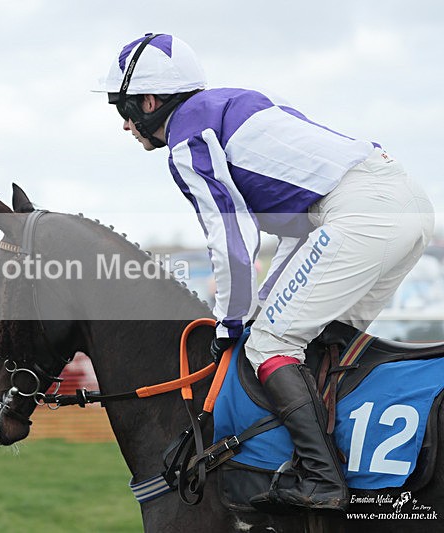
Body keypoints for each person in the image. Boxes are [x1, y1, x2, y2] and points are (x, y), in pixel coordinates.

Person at [96, 33, 434, 513]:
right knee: (322, 342)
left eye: (123, 108)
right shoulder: (239, 103)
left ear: (149, 102)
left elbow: (231, 240)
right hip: (403, 202)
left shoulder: (186, 137)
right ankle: (346, 468)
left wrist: (231, 321)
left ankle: (323, 481)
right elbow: (299, 232)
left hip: (361, 215)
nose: (125, 124)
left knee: (270, 345)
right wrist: (260, 308)